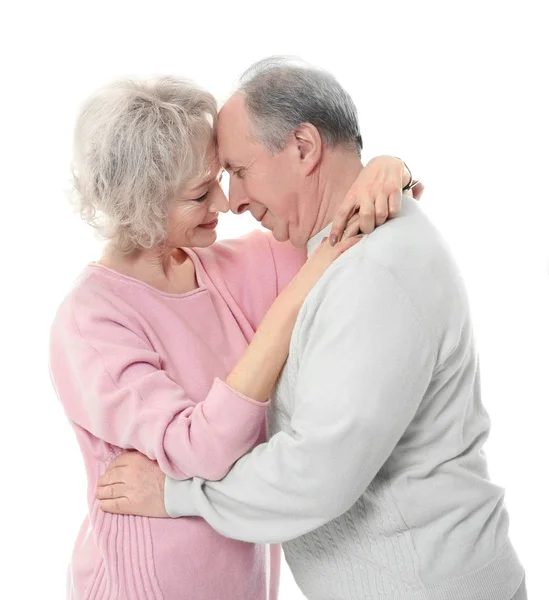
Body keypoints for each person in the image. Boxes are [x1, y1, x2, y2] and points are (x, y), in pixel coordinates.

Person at [98, 58, 527, 600]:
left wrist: (174, 493)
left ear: (303, 147)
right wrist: (388, 167)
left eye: (240, 171)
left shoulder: (371, 270)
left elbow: (314, 476)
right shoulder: (329, 249)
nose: (234, 199)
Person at [50, 72, 415, 600]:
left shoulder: (228, 267)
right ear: (141, 203)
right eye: (200, 195)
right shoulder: (90, 322)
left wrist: (388, 169)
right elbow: (201, 449)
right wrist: (290, 306)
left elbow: (343, 232)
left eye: (219, 179)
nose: (224, 205)